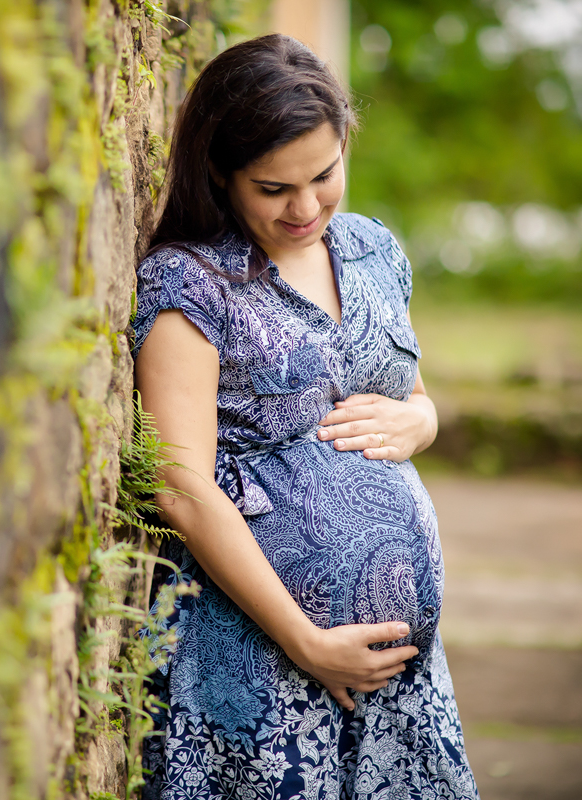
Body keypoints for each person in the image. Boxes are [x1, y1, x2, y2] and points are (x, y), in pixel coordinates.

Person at [132, 34, 479, 799]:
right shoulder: (190, 284)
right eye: (273, 188)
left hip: (405, 691)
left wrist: (422, 423)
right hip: (264, 667)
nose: (305, 207)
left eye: (324, 175)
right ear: (220, 173)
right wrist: (307, 640)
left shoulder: (371, 249)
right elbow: (180, 485)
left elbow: (413, 398)